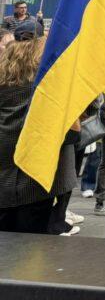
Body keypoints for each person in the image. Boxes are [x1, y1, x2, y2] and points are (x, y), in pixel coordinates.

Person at [0, 38, 77, 233]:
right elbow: (79, 125)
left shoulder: (5, 89)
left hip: (4, 182)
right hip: (40, 181)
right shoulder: (51, 90)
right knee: (33, 247)